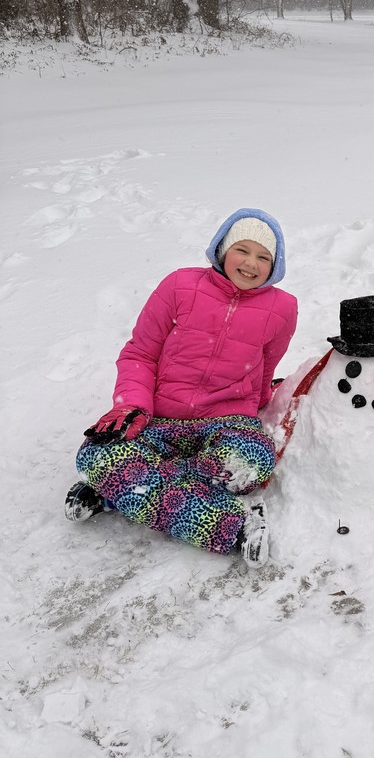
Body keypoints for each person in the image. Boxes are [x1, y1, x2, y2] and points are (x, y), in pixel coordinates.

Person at [65, 208, 298, 567]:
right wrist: (131, 408)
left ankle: (118, 490)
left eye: (264, 257)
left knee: (250, 463)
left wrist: (263, 402)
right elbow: (140, 353)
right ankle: (235, 526)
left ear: (275, 265)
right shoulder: (179, 285)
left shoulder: (283, 308)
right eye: (242, 250)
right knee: (95, 455)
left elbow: (266, 366)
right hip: (158, 419)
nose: (251, 263)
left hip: (226, 420)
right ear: (222, 250)